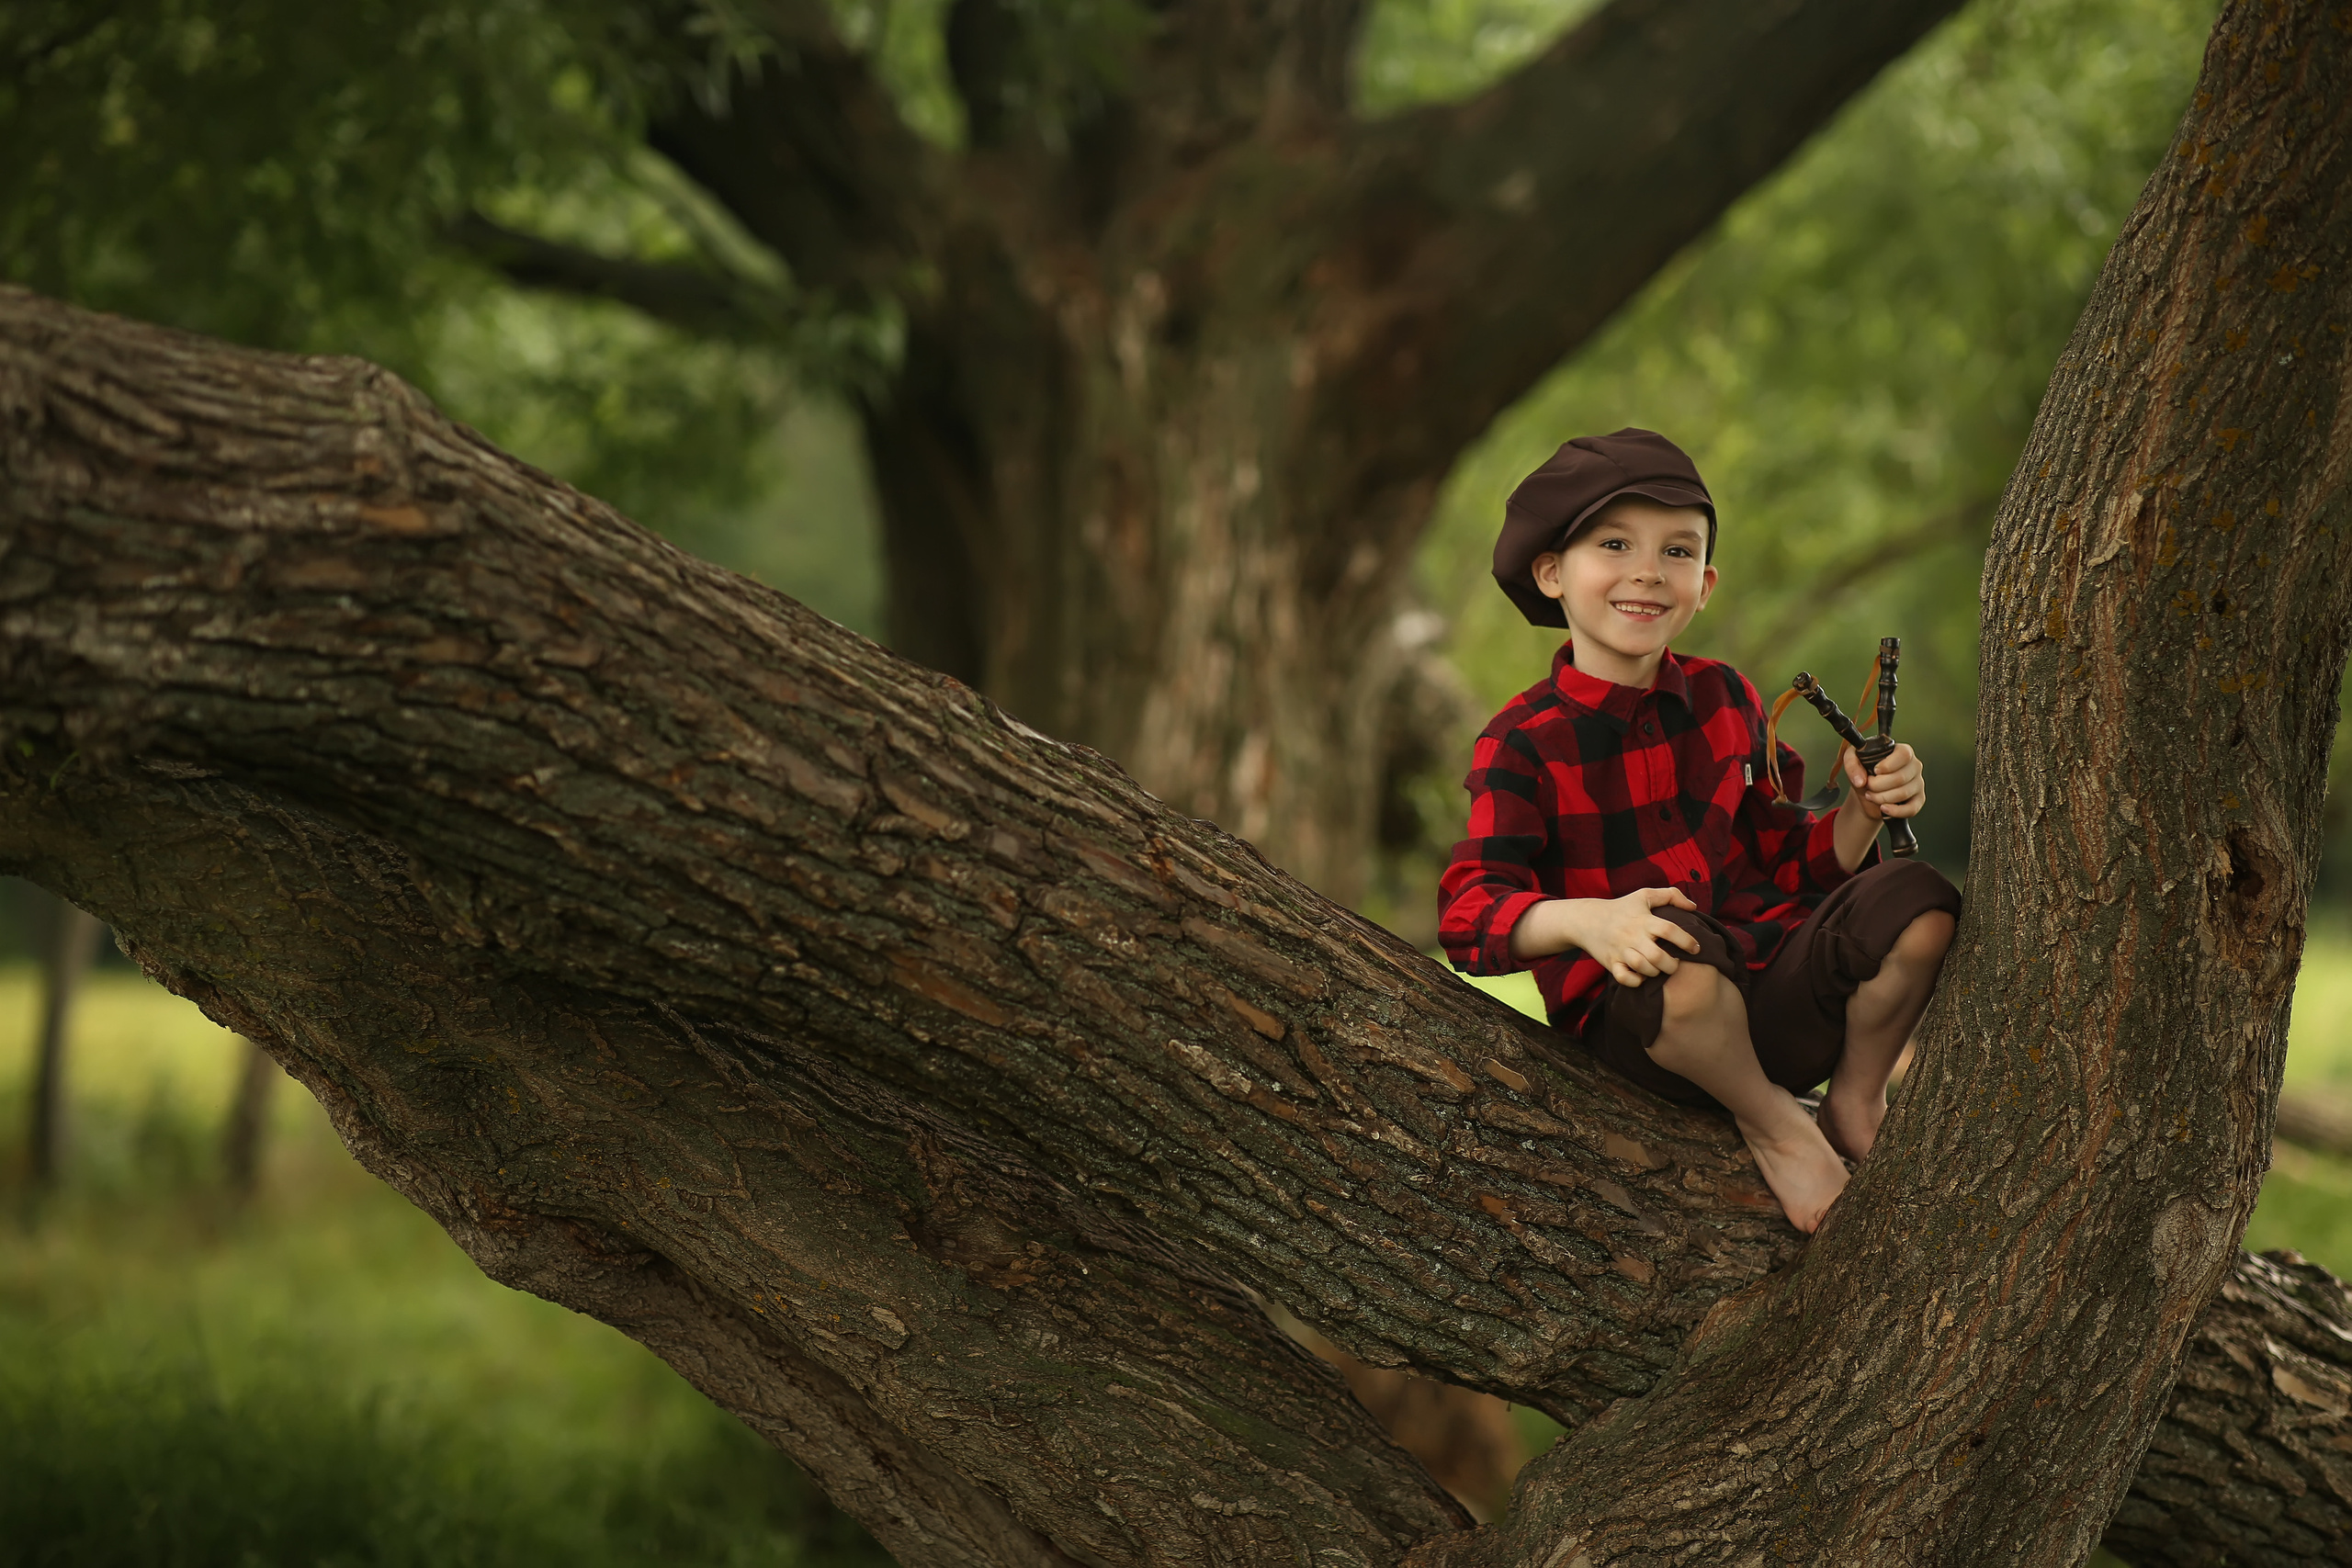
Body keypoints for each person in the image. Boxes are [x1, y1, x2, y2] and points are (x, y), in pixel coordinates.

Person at [1438, 430, 1959, 1234]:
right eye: (1615, 544)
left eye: (1677, 551)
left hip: (1772, 999)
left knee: (1920, 900)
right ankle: (1779, 1128)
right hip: (1657, 1031)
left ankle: (1855, 1101)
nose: (1648, 570)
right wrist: (1592, 921)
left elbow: (1792, 856)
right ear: (1552, 574)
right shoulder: (1520, 740)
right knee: (1668, 939)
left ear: (1705, 583)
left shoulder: (1725, 697)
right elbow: (1469, 915)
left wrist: (1864, 807)